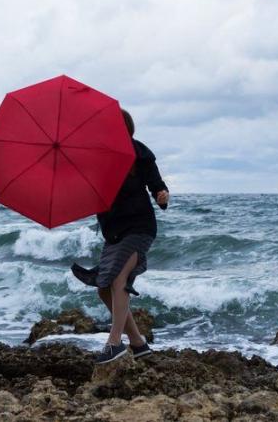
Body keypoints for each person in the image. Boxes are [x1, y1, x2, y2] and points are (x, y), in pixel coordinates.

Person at [71, 108, 169, 364]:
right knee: (103, 289)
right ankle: (138, 343)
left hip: (139, 227)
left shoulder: (140, 153)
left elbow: (157, 184)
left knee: (118, 280)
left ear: (126, 129)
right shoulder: (97, 160)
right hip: (114, 232)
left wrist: (162, 195)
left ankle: (114, 343)